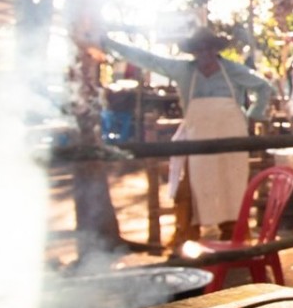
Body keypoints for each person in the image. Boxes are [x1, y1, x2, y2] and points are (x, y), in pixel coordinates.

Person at [99, 27, 273, 242]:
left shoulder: (233, 70)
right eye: (200, 50)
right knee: (189, 191)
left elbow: (264, 88)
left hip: (231, 141)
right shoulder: (183, 71)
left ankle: (235, 240)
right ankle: (186, 241)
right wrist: (109, 44)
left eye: (209, 49)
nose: (205, 55)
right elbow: (148, 59)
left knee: (233, 188)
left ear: (216, 50)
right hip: (196, 142)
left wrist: (253, 115)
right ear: (194, 52)